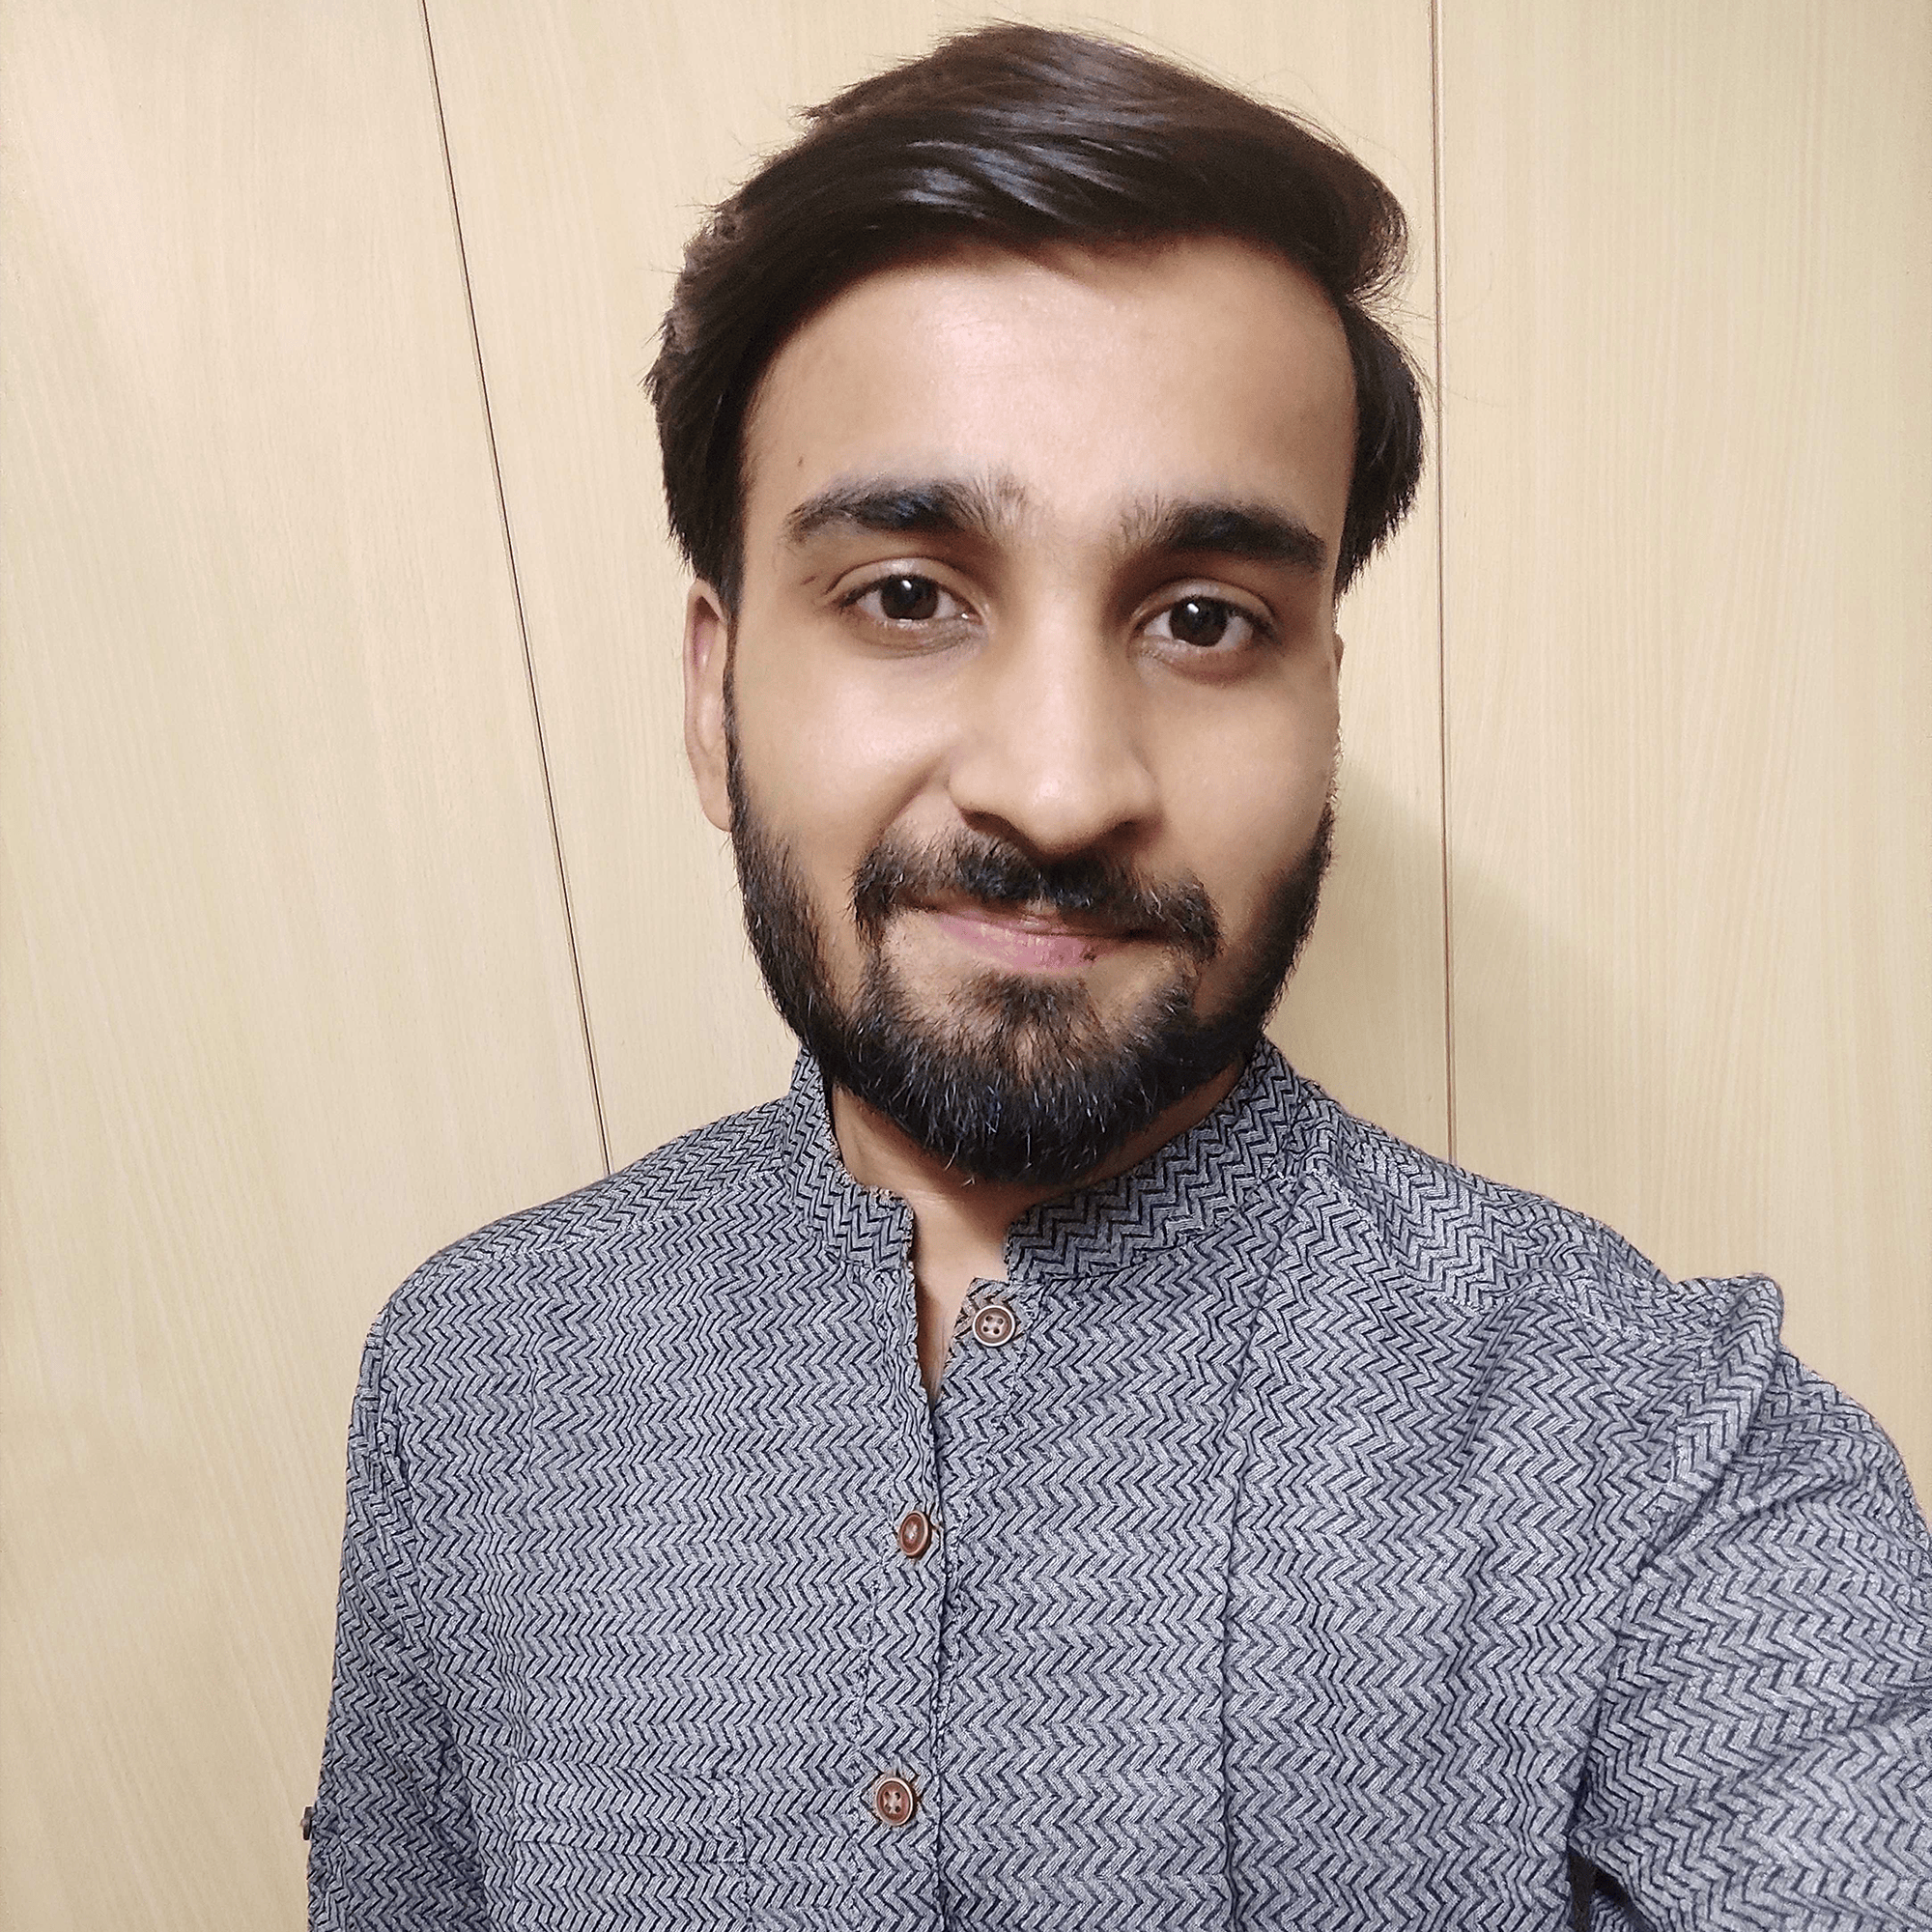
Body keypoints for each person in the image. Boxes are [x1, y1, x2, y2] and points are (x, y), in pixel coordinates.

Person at [307, 24, 1931, 1929]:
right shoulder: (467, 1379)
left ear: (1323, 702)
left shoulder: (1670, 1452)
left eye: (1204, 618)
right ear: (712, 690)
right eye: (907, 594)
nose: (1061, 786)